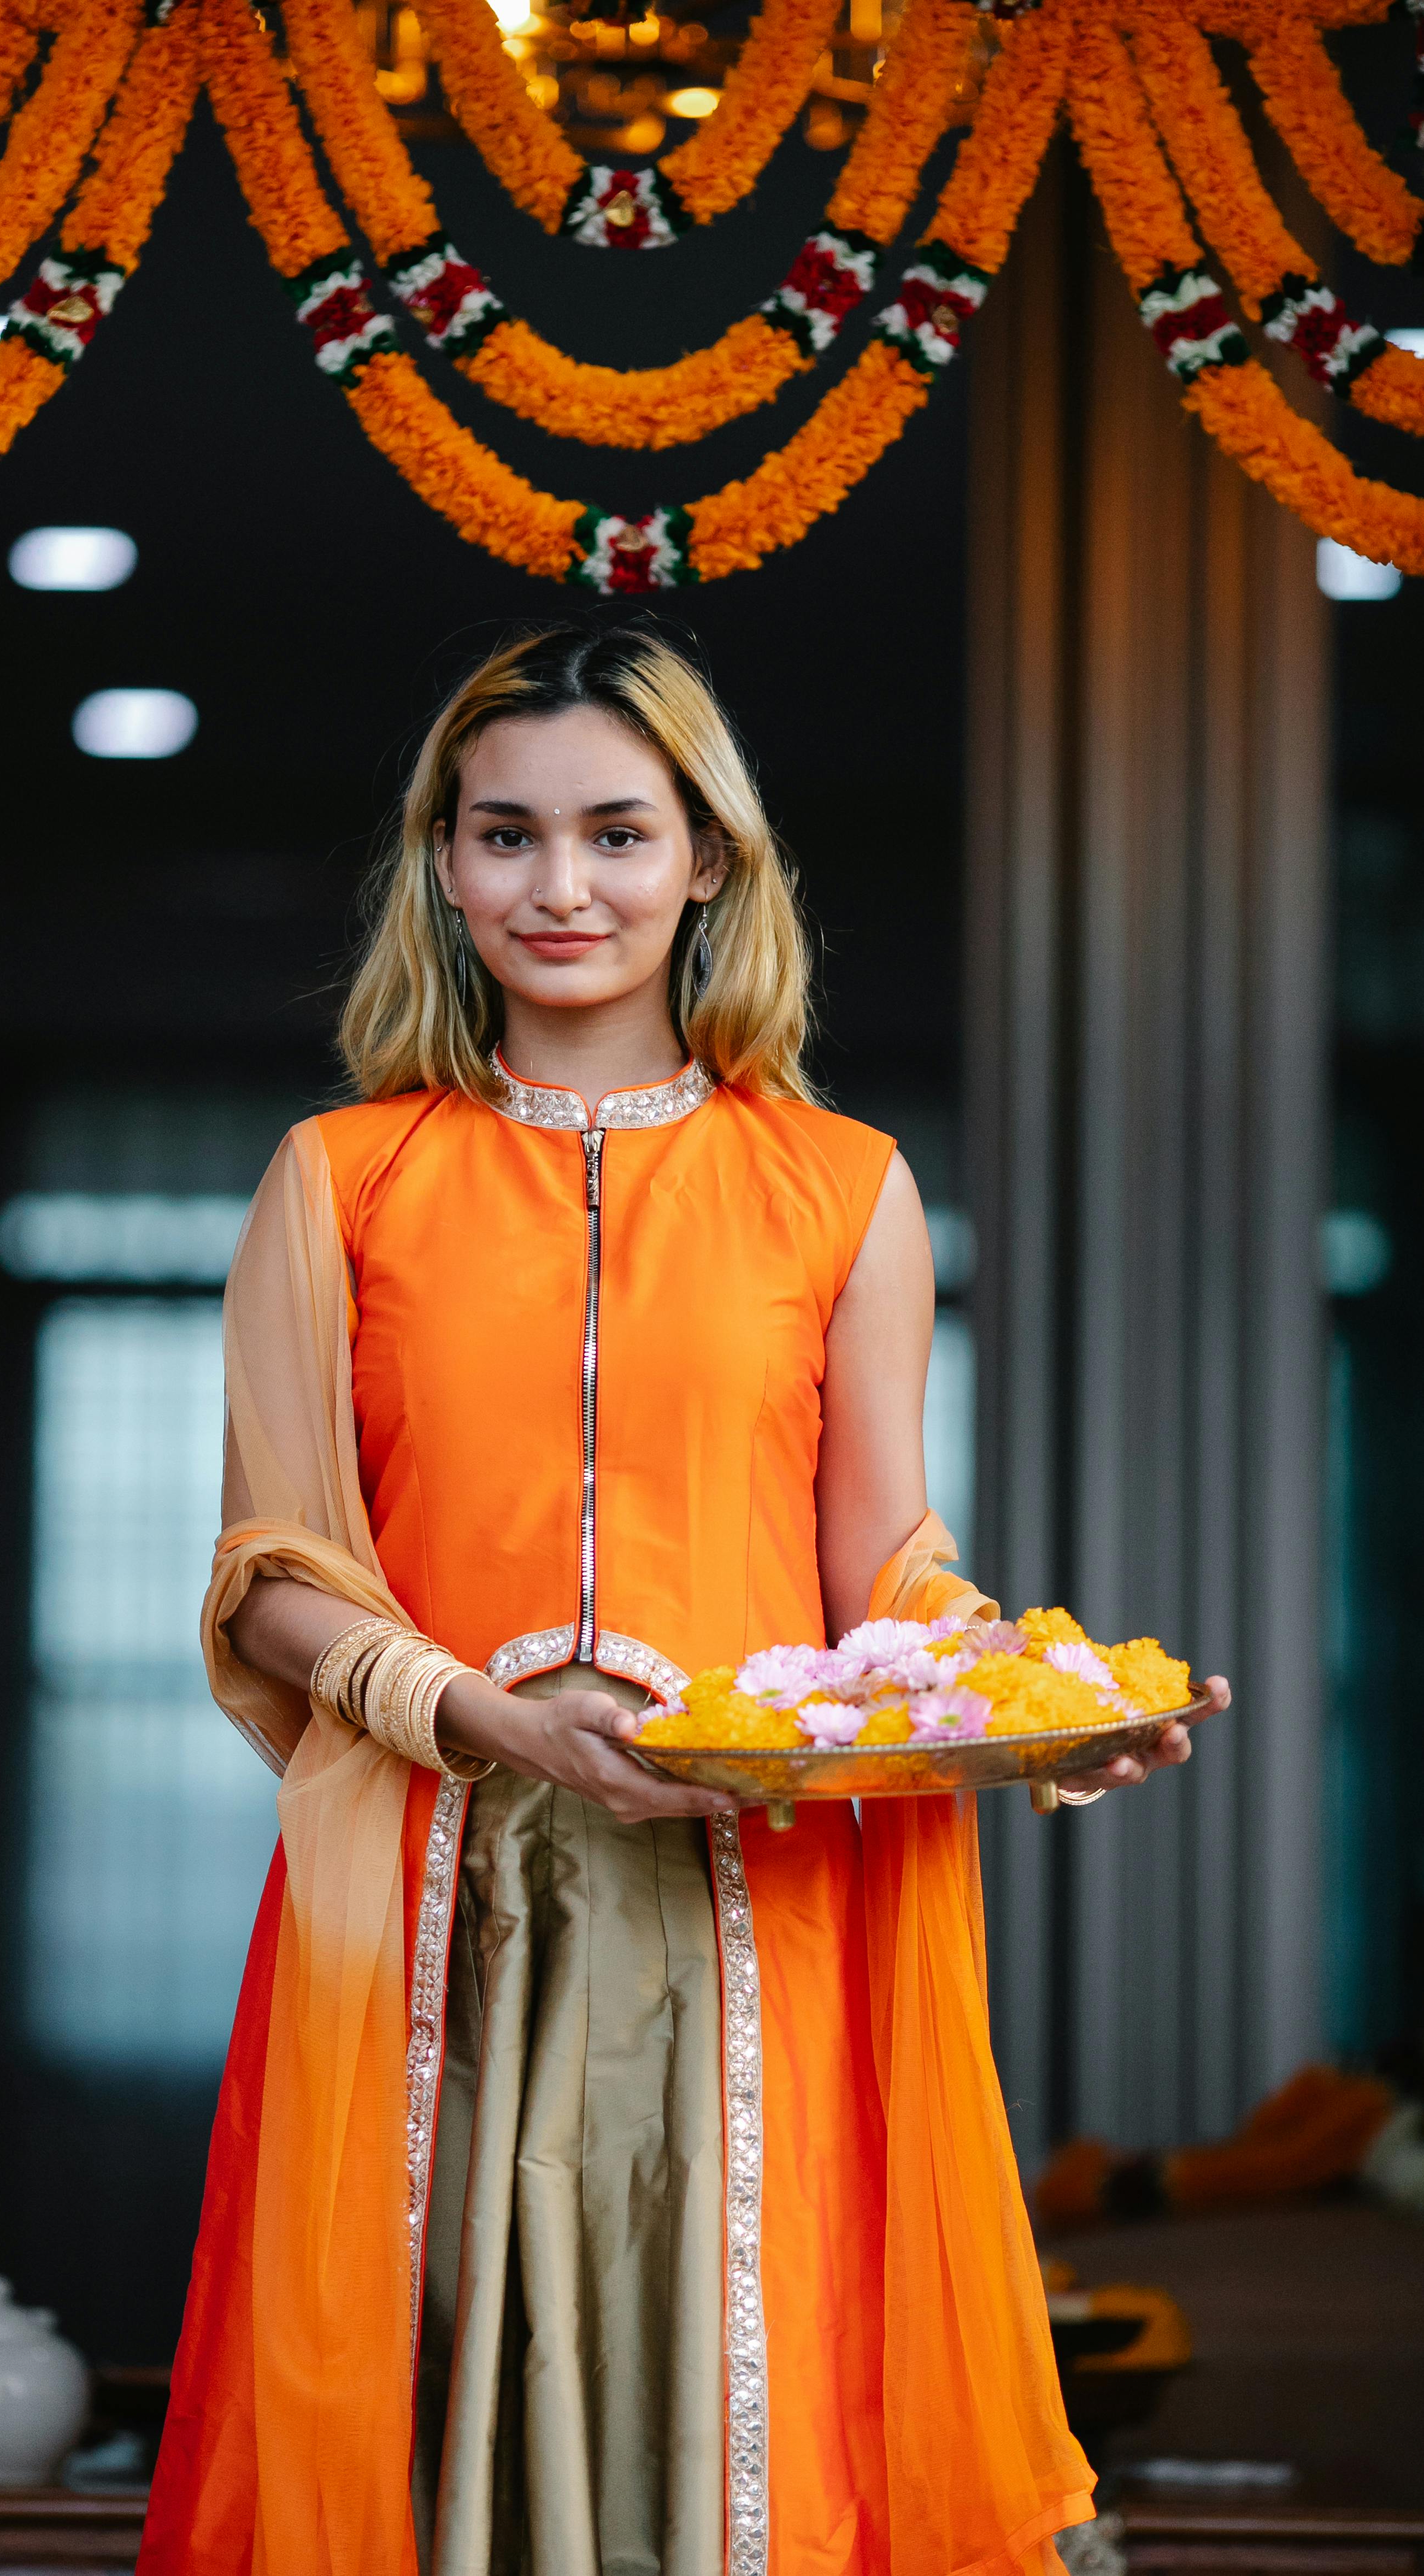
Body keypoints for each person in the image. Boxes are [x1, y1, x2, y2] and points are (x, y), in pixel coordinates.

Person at [134, 624, 1228, 2576]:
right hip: (435, 1902)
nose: (562, 887)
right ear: (441, 863)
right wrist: (477, 1713)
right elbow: (271, 1577)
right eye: (506, 835)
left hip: (755, 1897)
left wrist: (1029, 1697)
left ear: (708, 857)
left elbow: (885, 1562)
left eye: (619, 833)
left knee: (749, 2400)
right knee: (434, 2391)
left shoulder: (841, 1187)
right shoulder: (341, 1179)